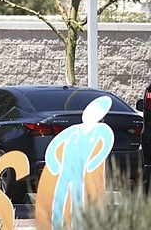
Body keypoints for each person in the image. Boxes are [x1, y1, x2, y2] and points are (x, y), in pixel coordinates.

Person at [43, 95, 114, 230]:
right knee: (59, 195)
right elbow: (55, 146)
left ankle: (77, 225)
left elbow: (106, 144)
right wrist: (54, 163)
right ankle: (56, 224)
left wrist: (93, 163)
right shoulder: (74, 130)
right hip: (65, 168)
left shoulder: (99, 130)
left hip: (79, 169)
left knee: (77, 198)